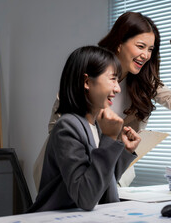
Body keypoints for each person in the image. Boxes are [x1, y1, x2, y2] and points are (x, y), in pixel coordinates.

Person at [33, 11, 171, 189]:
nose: (146, 55)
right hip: (69, 167)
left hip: (113, 169)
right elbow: (55, 128)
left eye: (150, 49)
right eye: (140, 46)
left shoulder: (143, 81)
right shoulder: (90, 72)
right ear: (120, 43)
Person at [28, 46, 141, 212]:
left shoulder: (96, 126)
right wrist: (109, 138)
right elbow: (85, 197)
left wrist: (125, 152)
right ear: (87, 82)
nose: (117, 88)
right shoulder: (67, 127)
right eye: (112, 79)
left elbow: (101, 183)